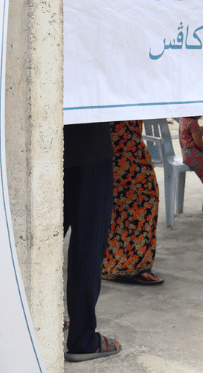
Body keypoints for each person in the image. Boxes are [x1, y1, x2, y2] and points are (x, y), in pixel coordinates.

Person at [63, 122, 121, 362]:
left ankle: (31, 317)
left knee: (37, 239)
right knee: (88, 245)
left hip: (45, 138)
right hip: (91, 142)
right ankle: (83, 338)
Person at [101, 120, 163, 285]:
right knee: (120, 204)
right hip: (114, 148)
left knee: (139, 201)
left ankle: (128, 262)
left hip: (128, 147)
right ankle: (124, 264)